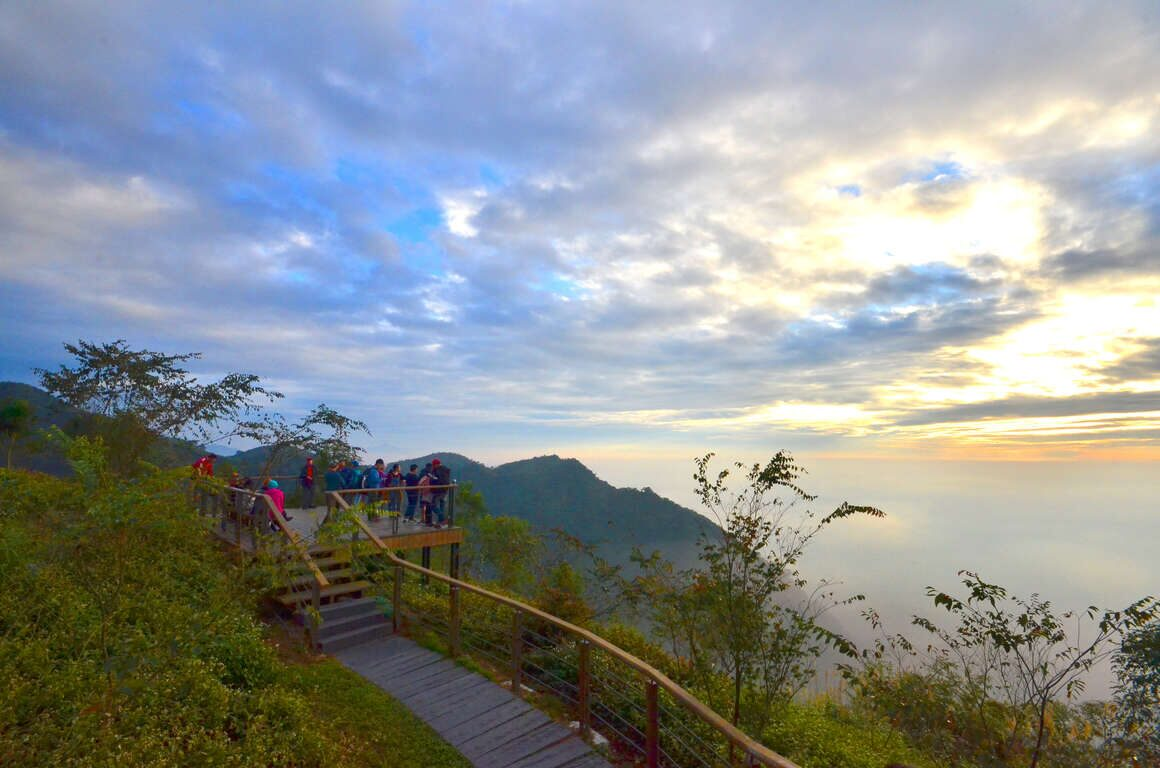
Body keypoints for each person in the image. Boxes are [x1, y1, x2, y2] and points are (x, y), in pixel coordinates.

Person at [430, 457, 452, 527]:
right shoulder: (445, 469)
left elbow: (437, 480)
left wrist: (432, 478)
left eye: (433, 465)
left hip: (439, 490)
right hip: (445, 490)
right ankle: (440, 522)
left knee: (433, 505)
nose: (433, 466)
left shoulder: (438, 470)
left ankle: (442, 519)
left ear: (436, 464)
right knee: (442, 506)